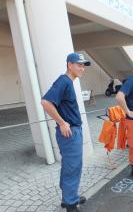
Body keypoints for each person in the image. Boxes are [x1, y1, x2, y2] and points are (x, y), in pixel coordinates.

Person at [41, 53, 90, 212]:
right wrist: (62, 122)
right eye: (79, 65)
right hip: (70, 134)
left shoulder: (68, 82)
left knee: (70, 166)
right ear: (69, 64)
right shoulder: (64, 81)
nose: (82, 68)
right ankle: (70, 204)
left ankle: (68, 197)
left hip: (72, 132)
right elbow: (46, 102)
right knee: (72, 167)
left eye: (83, 65)